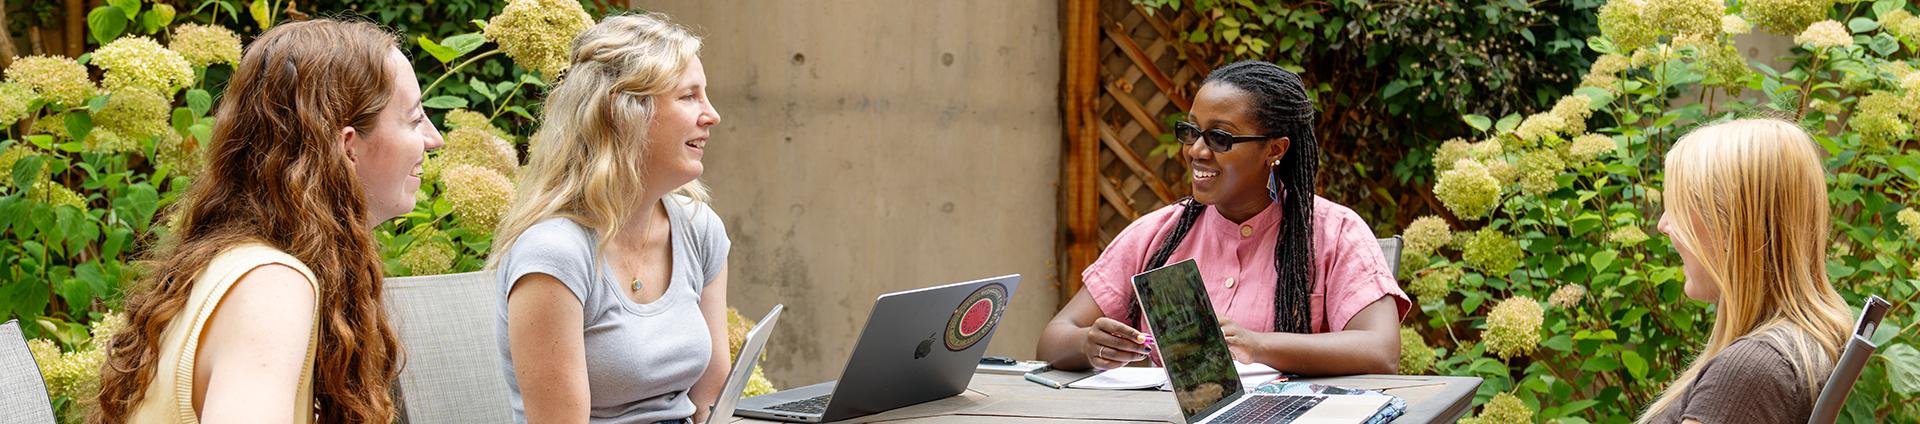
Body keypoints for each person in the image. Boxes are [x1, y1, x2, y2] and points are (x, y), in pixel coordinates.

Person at [94, 18, 442, 424]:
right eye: (415, 119)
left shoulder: (241, 263)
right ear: (348, 146)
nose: (434, 139)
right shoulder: (270, 288)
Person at [1037, 60, 1408, 375]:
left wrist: (1258, 345)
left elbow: (1380, 350)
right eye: (1191, 131)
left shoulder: (1334, 232)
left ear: (1274, 149)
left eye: (1219, 138)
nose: (1197, 150)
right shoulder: (1158, 236)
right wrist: (1089, 343)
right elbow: (1053, 339)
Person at [489, 13, 731, 424]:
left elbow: (709, 405)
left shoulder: (697, 228)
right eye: (689, 97)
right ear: (625, 112)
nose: (712, 115)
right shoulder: (555, 254)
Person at [1640, 118, 1853, 423]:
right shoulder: (1791, 349)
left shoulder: (1750, 371)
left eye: (1678, 207)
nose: (1663, 225)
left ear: (1730, 226)